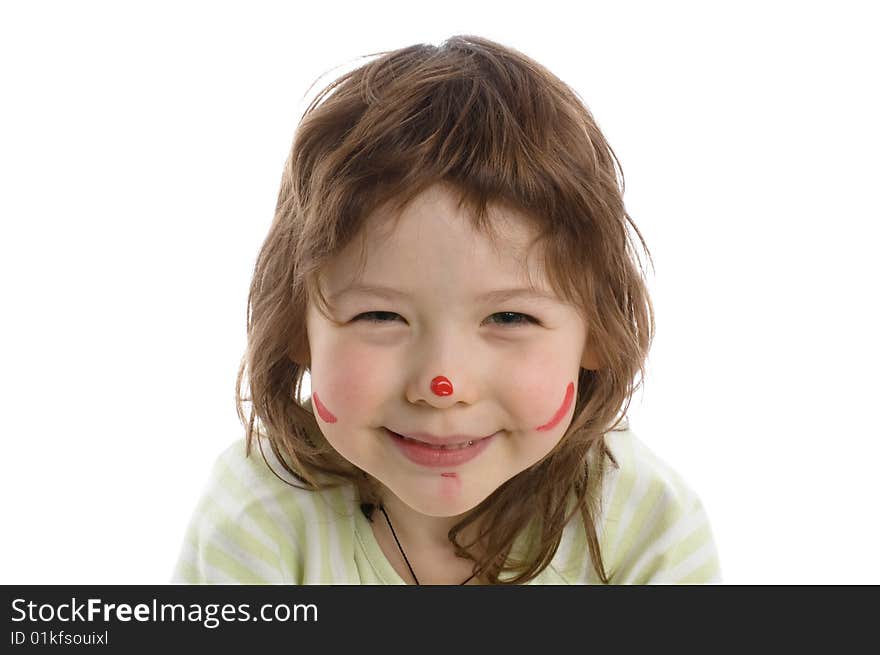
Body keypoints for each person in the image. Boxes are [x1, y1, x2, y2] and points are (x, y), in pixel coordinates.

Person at [172, 35, 721, 585]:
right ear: (297, 327)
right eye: (380, 317)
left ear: (598, 332)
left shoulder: (644, 523)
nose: (442, 383)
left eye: (509, 319)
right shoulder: (259, 515)